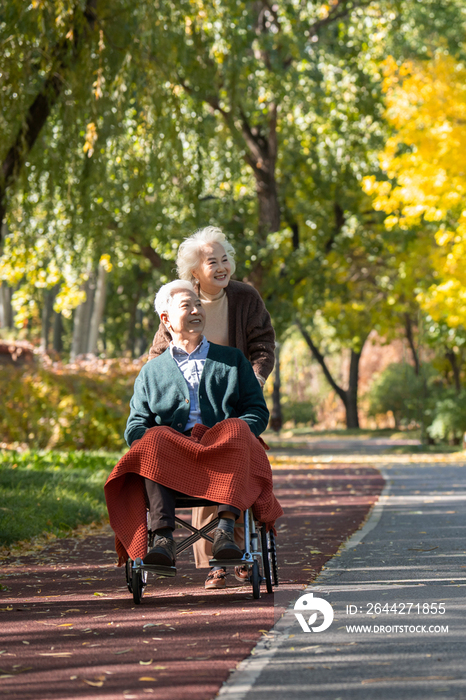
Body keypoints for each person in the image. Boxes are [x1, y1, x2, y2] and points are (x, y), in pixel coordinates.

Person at [104, 280, 282, 573]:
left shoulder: (233, 361)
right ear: (166, 319)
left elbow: (256, 411)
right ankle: (162, 539)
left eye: (198, 304)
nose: (197, 310)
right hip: (172, 456)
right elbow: (136, 423)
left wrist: (233, 431)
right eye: (187, 306)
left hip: (222, 450)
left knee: (237, 429)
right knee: (154, 436)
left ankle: (225, 531)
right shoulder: (151, 372)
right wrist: (150, 439)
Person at [148, 226, 275, 589]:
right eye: (212, 262)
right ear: (194, 271)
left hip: (232, 395)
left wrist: (253, 379)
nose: (221, 267)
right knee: (198, 460)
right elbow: (158, 356)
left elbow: (263, 344)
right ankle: (216, 563)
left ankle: (234, 551)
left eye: (225, 260)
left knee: (233, 448)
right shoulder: (178, 301)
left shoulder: (245, 298)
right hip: (190, 404)